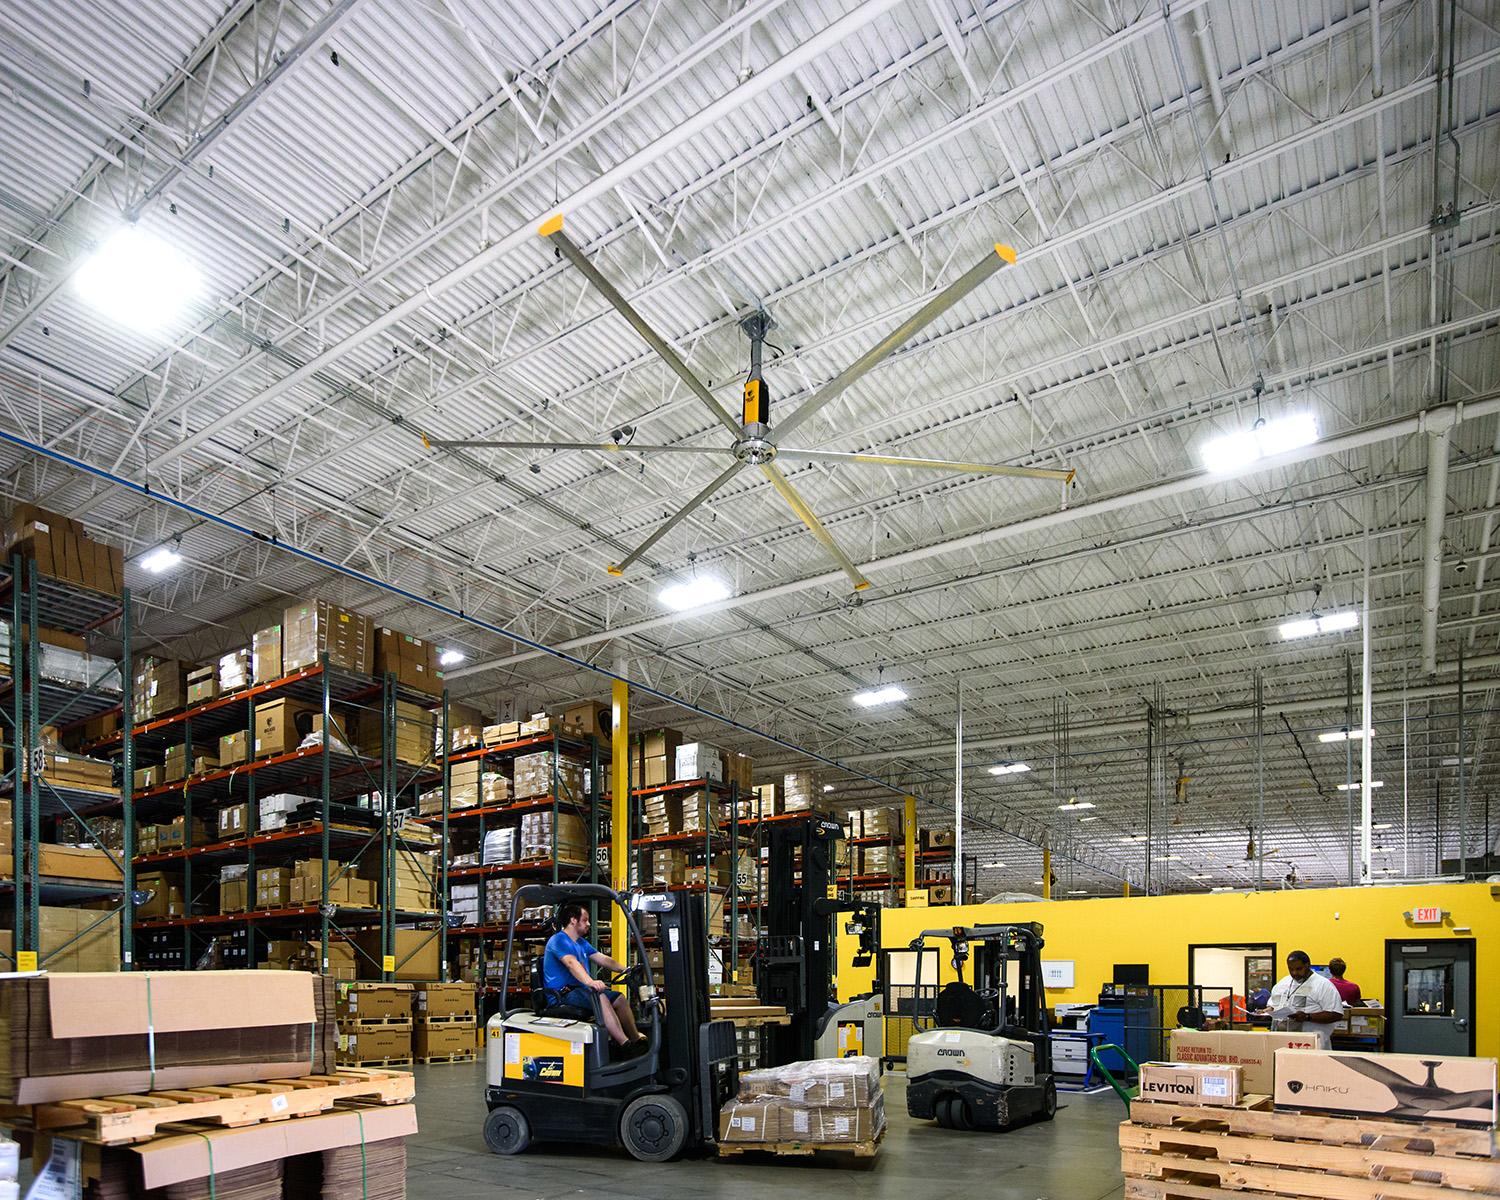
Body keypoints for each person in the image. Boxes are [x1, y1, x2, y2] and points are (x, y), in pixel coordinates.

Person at [543, 902, 646, 1055]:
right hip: (562, 995)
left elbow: (603, 960)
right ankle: (624, 1045)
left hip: (578, 992)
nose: (588, 924)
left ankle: (636, 1039)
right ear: (573, 920)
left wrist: (627, 970)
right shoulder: (559, 941)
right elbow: (572, 963)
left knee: (619, 998)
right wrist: (590, 982)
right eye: (585, 920)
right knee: (600, 997)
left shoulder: (581, 943)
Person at [1262, 950, 1344, 1049]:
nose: (1294, 972)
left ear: (1308, 965)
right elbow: (1273, 1005)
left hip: (1311, 1045)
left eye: (1299, 969)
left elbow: (1336, 1014)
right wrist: (1265, 1012)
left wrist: (1307, 1017)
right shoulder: (1283, 983)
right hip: (1282, 1043)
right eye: (1290, 969)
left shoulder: (1323, 985)